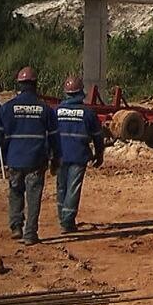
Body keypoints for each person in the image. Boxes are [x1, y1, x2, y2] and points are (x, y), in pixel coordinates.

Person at [0, 66, 58, 245]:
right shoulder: (45, 109)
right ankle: (30, 234)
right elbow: (54, 137)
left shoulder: (7, 108)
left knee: (15, 192)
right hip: (36, 160)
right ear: (35, 84)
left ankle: (16, 226)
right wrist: (56, 157)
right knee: (33, 197)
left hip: (14, 159)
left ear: (19, 84)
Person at [55, 76, 103, 233]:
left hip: (59, 155)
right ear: (80, 93)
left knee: (61, 187)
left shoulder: (56, 111)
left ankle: (63, 218)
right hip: (78, 156)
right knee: (73, 188)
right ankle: (67, 222)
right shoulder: (88, 113)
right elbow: (97, 136)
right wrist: (99, 154)